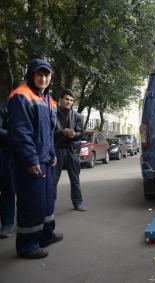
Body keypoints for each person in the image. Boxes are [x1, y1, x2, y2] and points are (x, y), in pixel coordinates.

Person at [8, 58, 63, 259]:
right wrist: (32, 161)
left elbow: (48, 133)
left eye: (47, 75)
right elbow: (22, 133)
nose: (43, 78)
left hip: (46, 160)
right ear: (31, 75)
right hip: (31, 163)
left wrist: (52, 154)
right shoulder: (21, 96)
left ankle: (46, 234)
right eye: (39, 74)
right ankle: (27, 246)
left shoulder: (47, 99)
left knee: (47, 201)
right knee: (31, 204)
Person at [54, 89, 86, 211]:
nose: (69, 102)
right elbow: (49, 132)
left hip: (72, 151)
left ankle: (78, 203)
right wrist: (62, 132)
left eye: (71, 100)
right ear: (61, 99)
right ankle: (50, 205)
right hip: (57, 150)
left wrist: (74, 135)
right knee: (53, 180)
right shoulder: (53, 114)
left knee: (75, 179)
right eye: (66, 99)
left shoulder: (77, 116)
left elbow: (80, 133)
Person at [0, 101, 15, 238]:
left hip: (18, 156)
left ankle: (7, 224)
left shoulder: (25, 109)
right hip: (4, 154)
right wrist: (15, 135)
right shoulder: (3, 108)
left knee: (10, 190)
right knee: (7, 190)